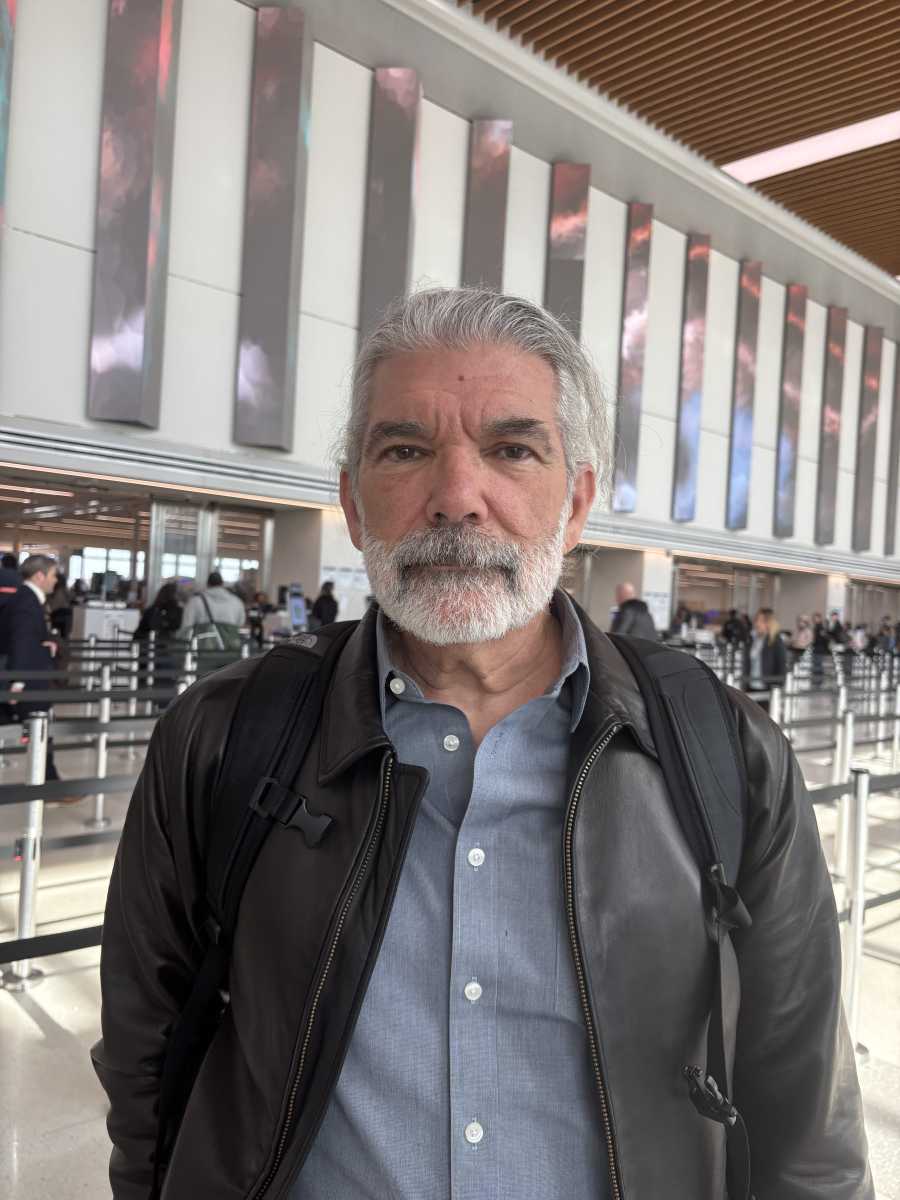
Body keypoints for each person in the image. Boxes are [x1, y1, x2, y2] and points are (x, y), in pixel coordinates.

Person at [93, 288, 871, 1199]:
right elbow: (148, 1051)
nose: (457, 497)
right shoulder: (228, 738)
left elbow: (802, 1099)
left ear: (576, 501)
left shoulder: (720, 752)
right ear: (352, 501)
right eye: (405, 450)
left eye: (511, 448)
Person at [0, 554, 70, 790]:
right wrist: (18, 682)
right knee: (40, 732)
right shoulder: (27, 602)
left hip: (26, 678)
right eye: (53, 575)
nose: (55, 580)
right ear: (40, 576)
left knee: (39, 733)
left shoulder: (26, 599)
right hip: (29, 682)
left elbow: (26, 638)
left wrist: (45, 642)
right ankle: (49, 787)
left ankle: (47, 783)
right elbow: (21, 641)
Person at [179, 571, 246, 645]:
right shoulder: (236, 601)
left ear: (207, 584)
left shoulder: (195, 601)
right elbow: (240, 623)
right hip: (229, 648)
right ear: (222, 584)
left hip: (203, 648)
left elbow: (187, 626)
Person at [744, 607, 787, 709]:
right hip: (751, 685)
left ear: (768, 623)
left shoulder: (775, 641)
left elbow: (781, 665)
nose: (756, 623)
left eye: (760, 620)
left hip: (766, 688)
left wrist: (777, 687)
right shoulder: (753, 639)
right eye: (756, 620)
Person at [811, 611, 830, 686]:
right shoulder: (817, 627)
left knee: (818, 666)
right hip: (817, 648)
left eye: (815, 618)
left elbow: (825, 638)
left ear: (819, 618)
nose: (814, 620)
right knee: (816, 665)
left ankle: (818, 682)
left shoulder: (820, 627)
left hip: (819, 649)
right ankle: (816, 681)